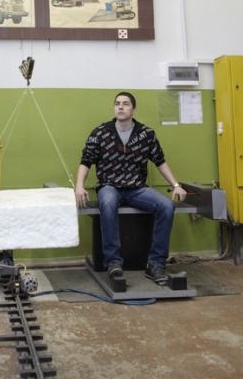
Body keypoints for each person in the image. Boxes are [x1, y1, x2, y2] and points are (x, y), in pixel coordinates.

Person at [75, 92, 187, 285]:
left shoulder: (146, 134)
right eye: (117, 103)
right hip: (109, 186)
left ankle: (156, 264)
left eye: (125, 104)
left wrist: (176, 185)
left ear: (134, 110)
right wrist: (79, 186)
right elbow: (86, 161)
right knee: (107, 202)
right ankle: (113, 262)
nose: (120, 107)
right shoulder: (100, 133)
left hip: (137, 189)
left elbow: (160, 161)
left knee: (166, 206)